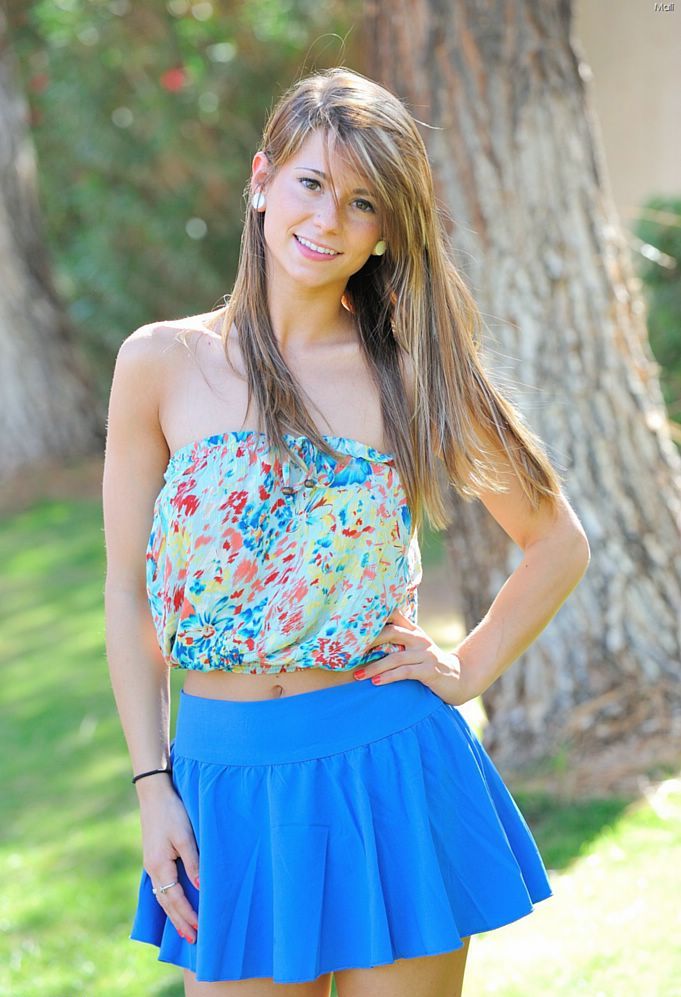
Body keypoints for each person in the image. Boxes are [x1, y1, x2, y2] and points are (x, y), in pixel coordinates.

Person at [103, 66, 590, 997]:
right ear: (261, 180)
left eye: (362, 203)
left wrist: (469, 667)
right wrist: (150, 783)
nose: (327, 221)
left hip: (388, 765)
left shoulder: (409, 371)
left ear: (384, 232)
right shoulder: (160, 363)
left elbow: (557, 539)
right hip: (224, 783)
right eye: (311, 183)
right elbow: (126, 591)